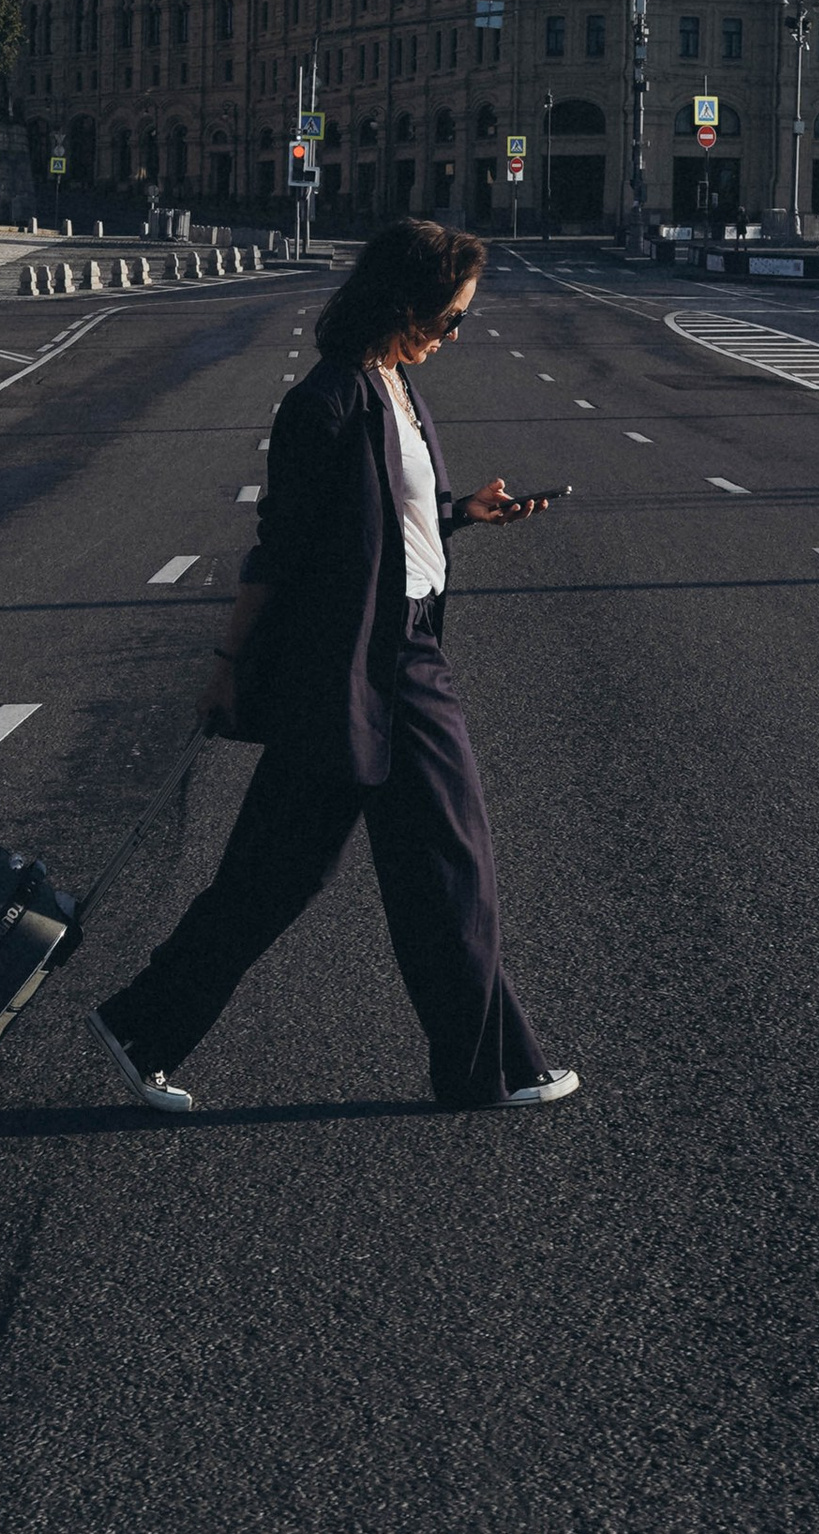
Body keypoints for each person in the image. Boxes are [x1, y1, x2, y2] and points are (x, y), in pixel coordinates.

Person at [94, 217, 578, 1117]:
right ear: (401, 306)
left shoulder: (392, 384)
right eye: (449, 318)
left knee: (293, 873)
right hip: (368, 665)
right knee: (448, 864)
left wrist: (463, 512)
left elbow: (392, 519)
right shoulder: (325, 402)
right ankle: (495, 1068)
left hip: (393, 651)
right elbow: (280, 551)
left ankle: (142, 1026)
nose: (454, 335)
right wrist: (229, 664)